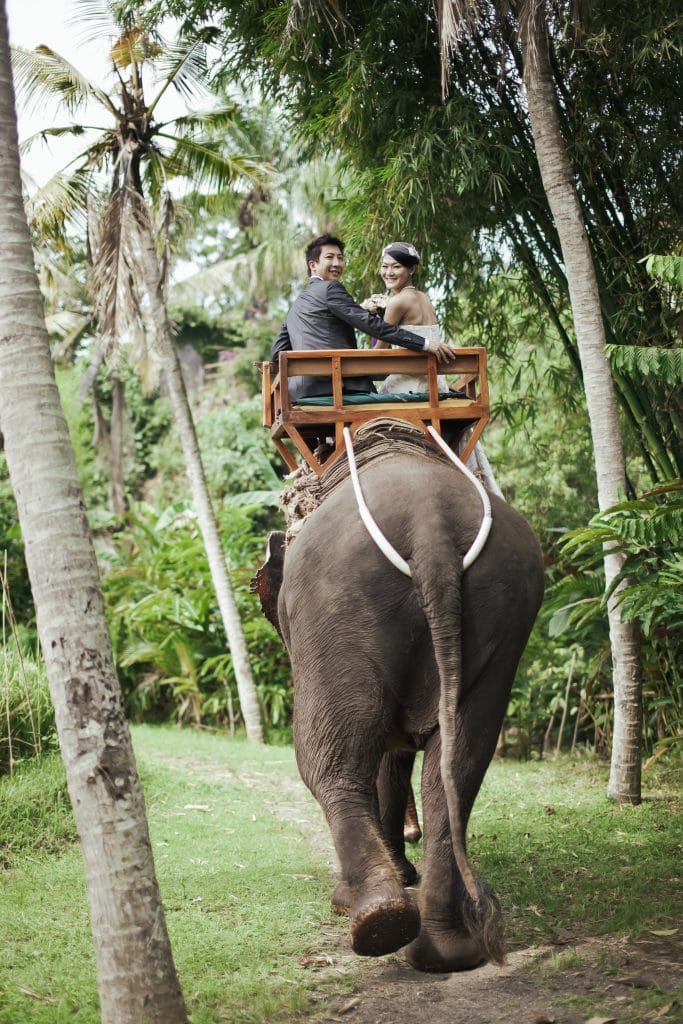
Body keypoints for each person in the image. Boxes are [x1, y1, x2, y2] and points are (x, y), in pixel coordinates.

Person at [375, 241, 504, 498]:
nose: (388, 272)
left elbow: (379, 352)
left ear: (411, 269)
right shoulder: (424, 299)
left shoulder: (397, 302)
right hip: (435, 385)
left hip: (408, 386)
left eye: (396, 267)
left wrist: (376, 320)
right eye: (384, 266)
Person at [271, 234, 458, 402]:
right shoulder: (330, 288)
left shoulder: (294, 307)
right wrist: (426, 344)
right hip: (339, 388)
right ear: (313, 265)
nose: (337, 263)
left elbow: (276, 352)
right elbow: (369, 324)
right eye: (330, 257)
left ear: (412, 270)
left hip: (299, 393)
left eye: (340, 258)